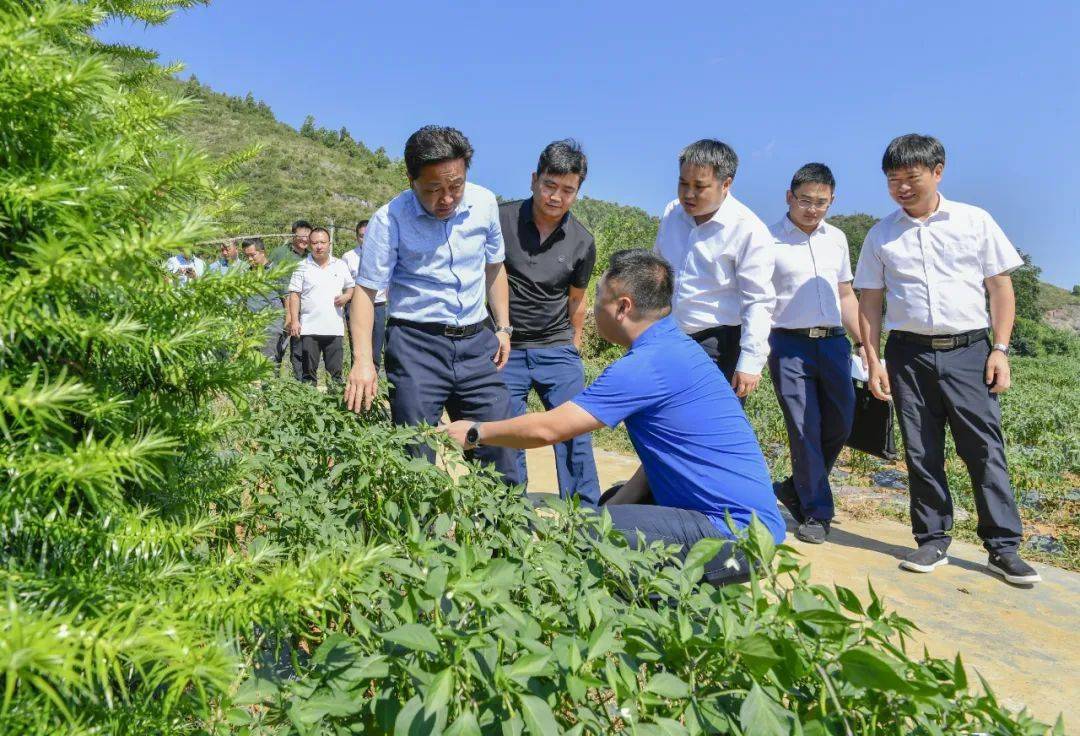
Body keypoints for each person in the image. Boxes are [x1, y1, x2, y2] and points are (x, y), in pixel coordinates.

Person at [441, 249, 785, 585]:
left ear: (623, 307)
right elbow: (660, 461)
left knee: (591, 535)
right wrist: (610, 508)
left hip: (736, 535)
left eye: (599, 299)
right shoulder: (677, 347)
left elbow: (550, 428)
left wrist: (475, 432)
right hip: (744, 525)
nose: (592, 309)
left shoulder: (647, 366)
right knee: (609, 508)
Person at [854, 134, 1039, 585]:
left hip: (970, 350)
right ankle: (932, 539)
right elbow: (870, 303)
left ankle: (1002, 547)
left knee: (983, 448)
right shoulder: (882, 234)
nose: (901, 188)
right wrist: (873, 359)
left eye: (911, 177)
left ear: (938, 171)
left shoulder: (975, 222)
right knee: (921, 450)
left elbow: (1000, 290)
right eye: (893, 180)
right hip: (908, 354)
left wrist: (1001, 349)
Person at [344, 125, 518, 484]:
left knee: (497, 448)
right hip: (416, 347)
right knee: (414, 457)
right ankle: (417, 535)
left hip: (476, 346)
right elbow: (365, 292)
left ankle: (502, 538)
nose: (447, 199)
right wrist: (363, 361)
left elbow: (494, 267)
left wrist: (503, 327)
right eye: (433, 189)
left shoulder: (485, 203)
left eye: (455, 186)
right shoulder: (389, 219)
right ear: (411, 180)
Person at [498, 140, 600, 505]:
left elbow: (577, 299)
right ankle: (507, 515)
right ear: (533, 180)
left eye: (567, 190)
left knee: (575, 433)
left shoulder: (582, 242)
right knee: (508, 435)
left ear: (577, 192)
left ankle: (585, 521)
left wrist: (574, 345)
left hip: (557, 349)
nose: (556, 196)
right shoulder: (500, 221)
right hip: (505, 350)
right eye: (549, 185)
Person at [766, 163, 863, 544]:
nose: (812, 208)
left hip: (834, 342)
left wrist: (865, 346)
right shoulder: (767, 239)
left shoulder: (837, 239)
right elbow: (756, 299)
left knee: (842, 421)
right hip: (788, 344)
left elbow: (846, 295)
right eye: (805, 200)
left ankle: (795, 486)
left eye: (821, 202)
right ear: (789, 196)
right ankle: (816, 511)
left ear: (832, 201)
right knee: (804, 425)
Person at [653, 139, 775, 400]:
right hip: (668, 335)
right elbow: (657, 269)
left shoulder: (749, 230)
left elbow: (759, 301)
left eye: (700, 187)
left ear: (726, 184)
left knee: (707, 423)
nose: (688, 194)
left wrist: (751, 362)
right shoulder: (672, 213)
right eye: (683, 183)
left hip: (717, 344)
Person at [287, 227, 354, 384]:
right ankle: (308, 405)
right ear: (310, 244)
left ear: (329, 243)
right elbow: (294, 294)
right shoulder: (302, 266)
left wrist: (347, 296)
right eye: (315, 242)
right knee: (308, 374)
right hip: (309, 328)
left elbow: (351, 286)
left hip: (334, 329)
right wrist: (295, 320)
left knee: (335, 375)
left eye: (323, 242)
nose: (319, 246)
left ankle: (336, 405)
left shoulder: (340, 264)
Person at [341, 219, 388, 368]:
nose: (365, 239)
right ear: (357, 237)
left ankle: (374, 381)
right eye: (362, 236)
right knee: (357, 345)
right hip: (356, 305)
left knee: (376, 345)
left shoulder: (384, 255)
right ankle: (357, 381)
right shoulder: (348, 257)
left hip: (379, 305)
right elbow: (345, 284)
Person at [273, 220, 313, 379]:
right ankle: (271, 382)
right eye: (301, 236)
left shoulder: (310, 258)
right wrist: (287, 312)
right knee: (277, 346)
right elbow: (273, 280)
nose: (305, 240)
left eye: (308, 236)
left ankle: (299, 383)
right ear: (293, 235)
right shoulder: (279, 253)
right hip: (280, 307)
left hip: (303, 309)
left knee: (299, 349)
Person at [241, 238, 286, 359]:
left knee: (268, 365)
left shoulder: (276, 271)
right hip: (250, 328)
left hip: (270, 328)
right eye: (246, 256)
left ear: (263, 252)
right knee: (252, 365)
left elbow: (287, 297)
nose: (249, 259)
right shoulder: (246, 273)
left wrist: (289, 322)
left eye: (252, 255)